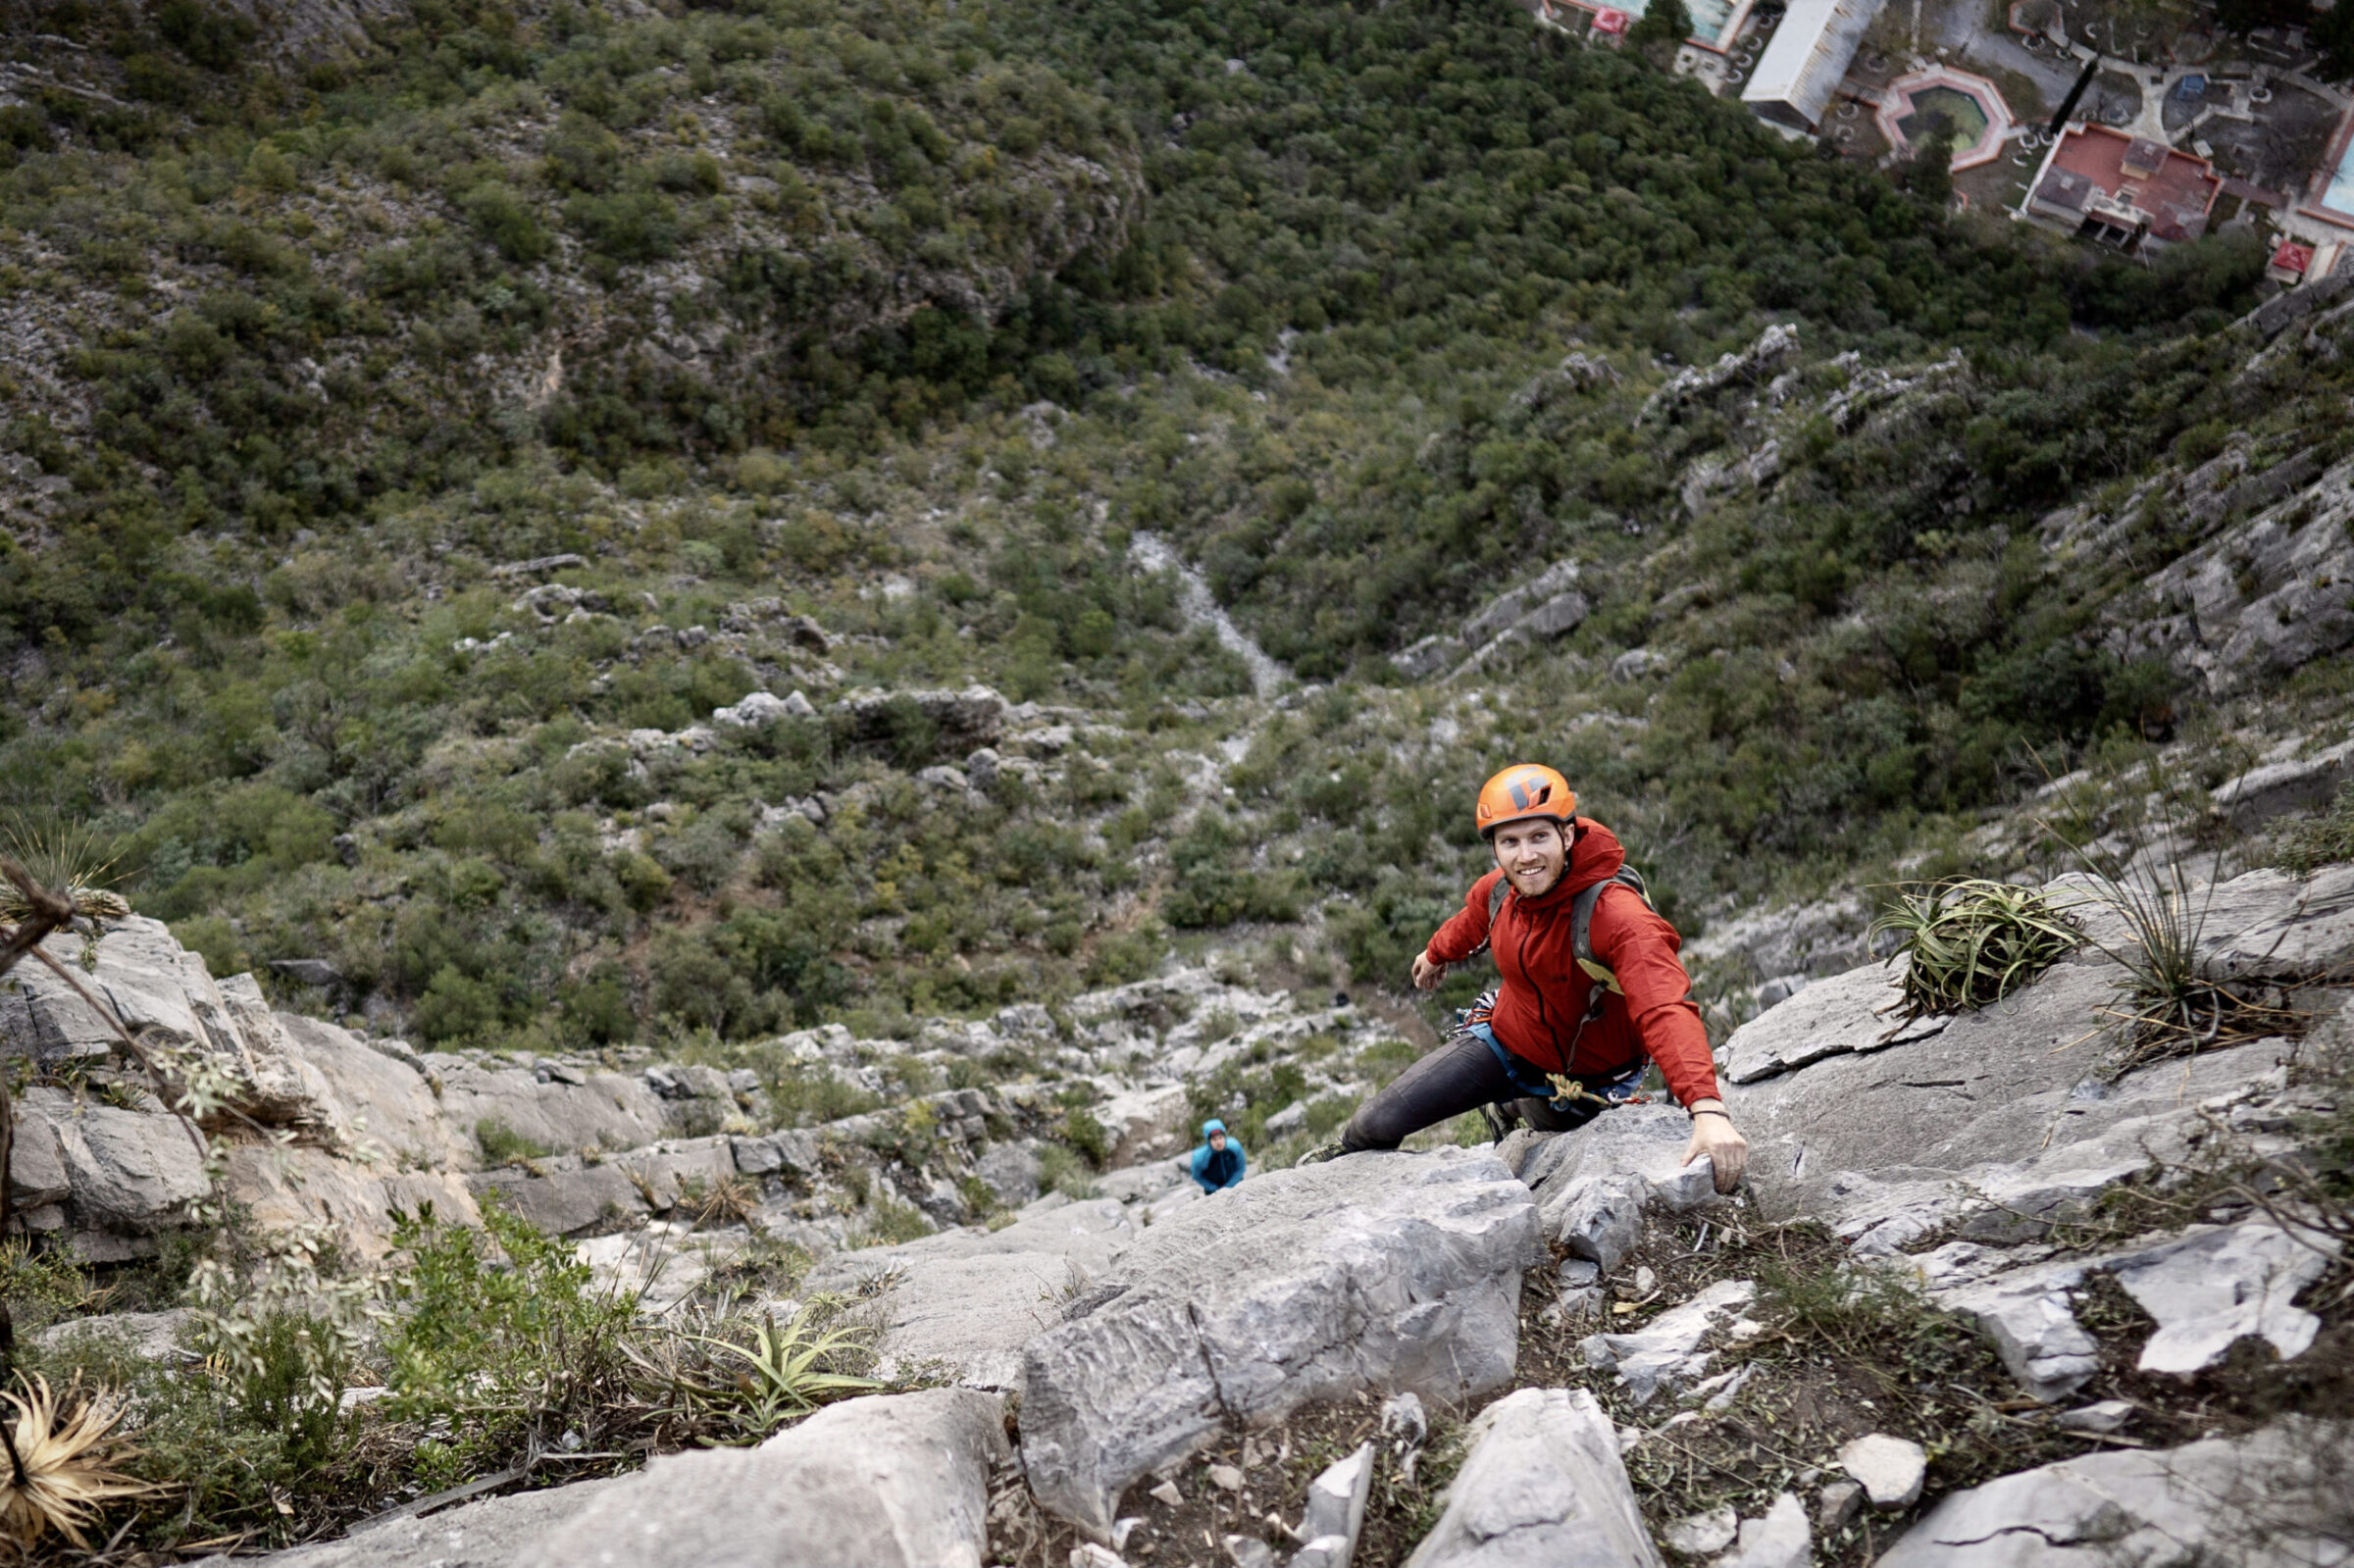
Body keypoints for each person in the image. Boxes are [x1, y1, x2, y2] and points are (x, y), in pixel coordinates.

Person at [1305, 764, 1748, 1192]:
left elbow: (1664, 1005)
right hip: (1507, 1042)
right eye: (1510, 842)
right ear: (1495, 848)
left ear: (1568, 834)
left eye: (1540, 837)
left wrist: (1706, 1108)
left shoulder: (1619, 917)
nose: (1526, 855)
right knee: (1372, 1123)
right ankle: (1329, 1179)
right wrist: (1435, 954)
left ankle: (1518, 1104)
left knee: (1547, 1125)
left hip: (1592, 1075)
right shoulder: (1500, 889)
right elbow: (1472, 919)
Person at [1189, 1118, 1248, 1192]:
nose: (1218, 1142)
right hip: (1214, 1191)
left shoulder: (1234, 1147)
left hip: (1236, 1184)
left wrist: (1229, 1186)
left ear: (1224, 1137)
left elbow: (1241, 1168)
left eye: (1220, 1137)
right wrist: (1213, 1188)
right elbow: (1197, 1176)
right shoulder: (1200, 1157)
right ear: (1208, 1141)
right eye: (1214, 1139)